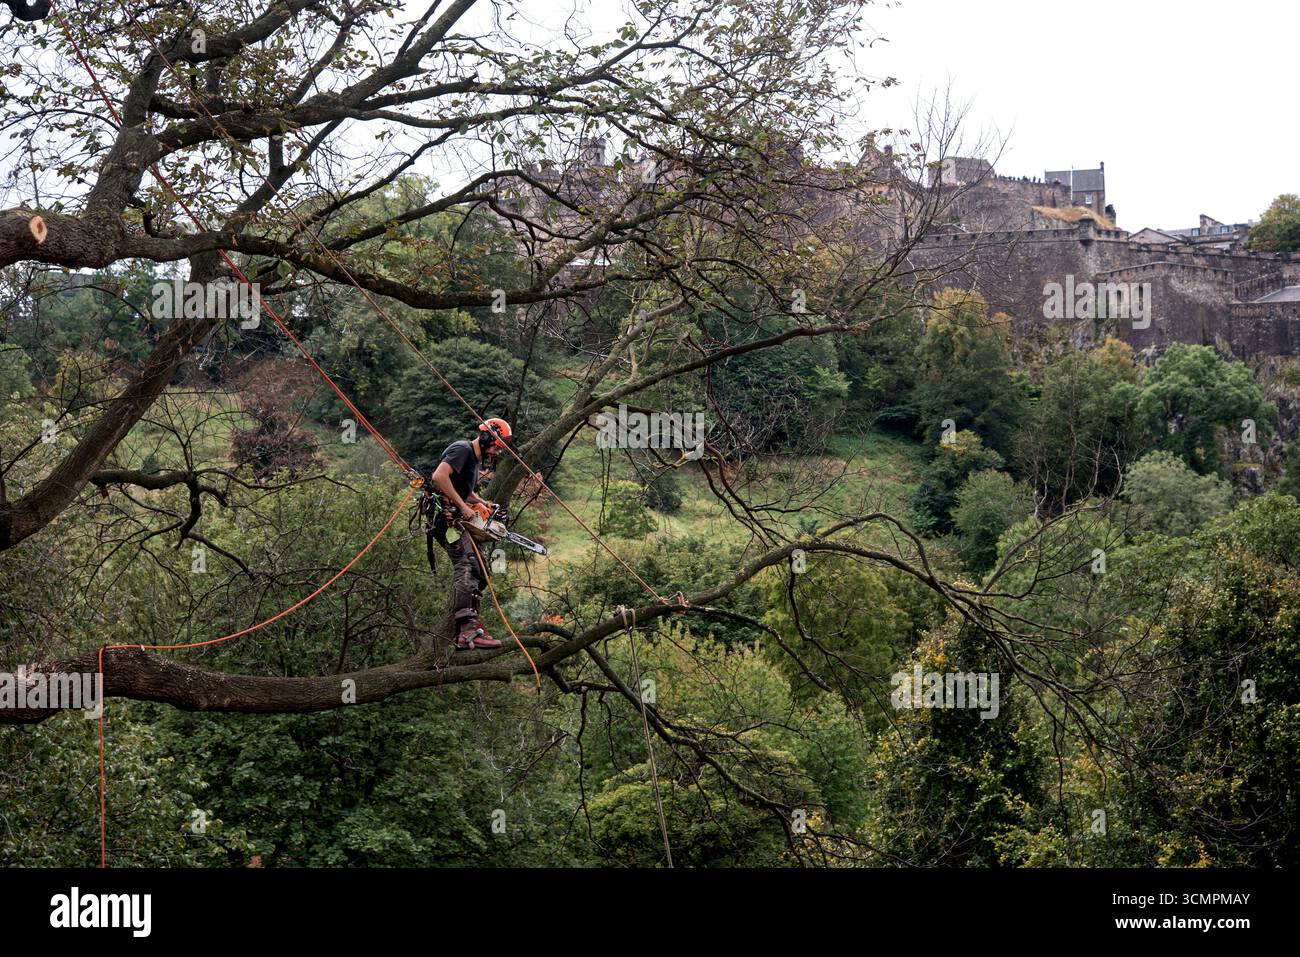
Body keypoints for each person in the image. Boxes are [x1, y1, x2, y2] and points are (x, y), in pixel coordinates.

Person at [429, 417, 514, 650]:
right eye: (497, 446)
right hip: (446, 520)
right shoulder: (462, 449)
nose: (497, 452)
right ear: (487, 437)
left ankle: (471, 625)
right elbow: (439, 478)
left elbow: (462, 491)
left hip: (456, 518)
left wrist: (479, 502)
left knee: (482, 571)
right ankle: (466, 632)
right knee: (466, 564)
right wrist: (465, 507)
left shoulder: (475, 460)